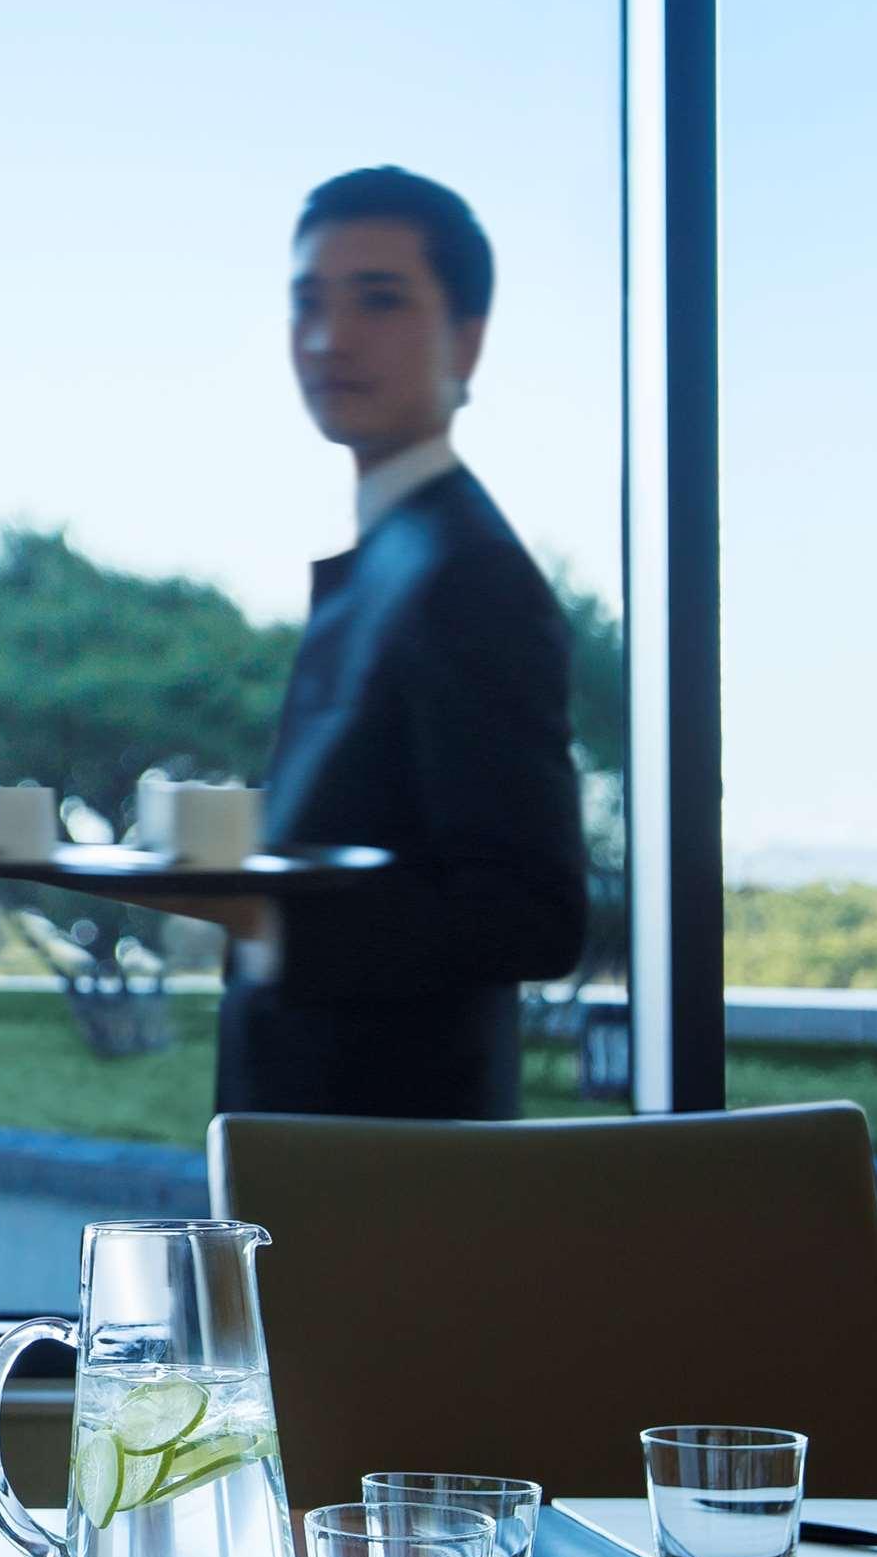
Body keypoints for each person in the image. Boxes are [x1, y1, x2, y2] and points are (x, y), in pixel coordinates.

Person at [195, 167, 588, 1118]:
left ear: (467, 337)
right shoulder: (400, 552)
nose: (328, 340)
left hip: (394, 1176)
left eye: (377, 300)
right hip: (324, 1153)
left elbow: (532, 914)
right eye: (306, 303)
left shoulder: (466, 571)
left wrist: (270, 919)